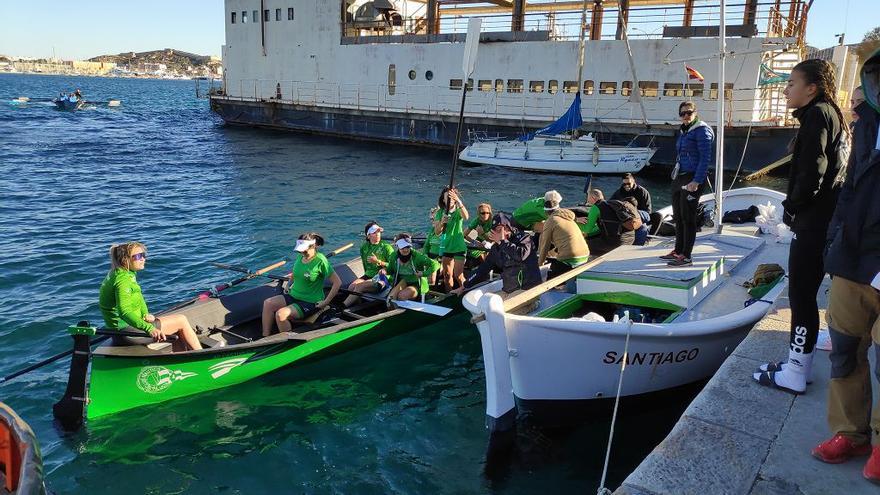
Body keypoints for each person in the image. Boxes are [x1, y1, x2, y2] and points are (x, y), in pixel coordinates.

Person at [752, 58, 847, 394]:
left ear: (812, 87)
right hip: (825, 220)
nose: (786, 89)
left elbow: (813, 171)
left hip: (814, 223)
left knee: (801, 295)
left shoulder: (818, 115)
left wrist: (791, 209)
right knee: (804, 294)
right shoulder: (830, 114)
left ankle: (794, 371)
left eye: (792, 82)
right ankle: (800, 364)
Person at [808, 50, 880, 480]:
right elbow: (850, 185)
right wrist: (836, 239)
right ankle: (851, 435)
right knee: (846, 354)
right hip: (853, 260)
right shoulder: (867, 122)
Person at [99, 242, 202, 351]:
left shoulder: (119, 273)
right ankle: (203, 356)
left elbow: (138, 297)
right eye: (138, 256)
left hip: (121, 331)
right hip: (127, 333)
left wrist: (145, 313)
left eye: (143, 255)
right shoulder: (123, 281)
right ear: (125, 260)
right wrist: (149, 328)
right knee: (181, 320)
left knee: (174, 325)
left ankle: (181, 359)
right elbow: (124, 312)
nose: (143, 259)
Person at [661, 101, 714, 267]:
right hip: (680, 177)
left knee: (688, 218)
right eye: (682, 113)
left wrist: (696, 181)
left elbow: (705, 159)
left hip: (692, 178)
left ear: (695, 113)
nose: (685, 116)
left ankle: (686, 256)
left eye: (688, 113)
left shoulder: (701, 130)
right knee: (678, 216)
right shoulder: (684, 130)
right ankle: (678, 251)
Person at [261, 233, 342, 336]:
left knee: (281, 314)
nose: (301, 252)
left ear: (312, 246)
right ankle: (265, 336)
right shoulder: (300, 256)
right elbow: (295, 273)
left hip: (310, 301)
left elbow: (337, 282)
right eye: (300, 250)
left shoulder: (321, 261)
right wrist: (289, 284)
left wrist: (326, 302)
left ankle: (288, 343)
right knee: (268, 303)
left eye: (304, 250)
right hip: (294, 295)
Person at [453, 212, 542, 295]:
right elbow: (482, 270)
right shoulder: (496, 248)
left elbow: (521, 256)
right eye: (496, 230)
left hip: (528, 289)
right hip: (509, 289)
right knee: (488, 303)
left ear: (508, 228)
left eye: (500, 229)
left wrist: (503, 241)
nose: (498, 233)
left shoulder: (524, 238)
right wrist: (464, 286)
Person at [343, 221, 394, 307]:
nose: (378, 234)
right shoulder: (364, 247)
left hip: (383, 277)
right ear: (368, 235)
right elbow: (365, 266)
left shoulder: (387, 247)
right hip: (369, 275)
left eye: (379, 232)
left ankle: (343, 306)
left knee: (360, 287)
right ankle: (358, 307)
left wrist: (378, 262)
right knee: (351, 287)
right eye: (374, 232)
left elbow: (394, 265)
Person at [576, 189, 638, 256]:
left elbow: (587, 229)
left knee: (582, 245)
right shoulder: (611, 205)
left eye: (588, 199)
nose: (587, 201)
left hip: (616, 243)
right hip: (629, 239)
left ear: (593, 198)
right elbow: (603, 227)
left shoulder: (596, 207)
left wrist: (575, 224)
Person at [538, 205, 590, 279]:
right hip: (585, 254)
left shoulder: (550, 221)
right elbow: (569, 240)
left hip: (571, 258)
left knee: (548, 278)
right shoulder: (569, 218)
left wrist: (540, 264)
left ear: (546, 212)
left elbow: (545, 245)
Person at [387, 233, 441, 302]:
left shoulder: (417, 256)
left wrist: (423, 273)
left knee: (401, 296)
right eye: (402, 247)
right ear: (397, 246)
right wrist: (384, 270)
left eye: (408, 247)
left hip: (416, 285)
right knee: (390, 299)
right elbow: (390, 271)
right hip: (402, 282)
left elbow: (436, 264)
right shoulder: (393, 256)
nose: (406, 250)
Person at [434, 187, 469, 291]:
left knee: (458, 275)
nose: (449, 200)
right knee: (447, 275)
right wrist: (442, 222)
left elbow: (466, 217)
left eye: (452, 198)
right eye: (447, 198)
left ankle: (464, 291)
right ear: (443, 200)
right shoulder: (440, 213)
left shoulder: (458, 211)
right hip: (446, 247)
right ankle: (449, 294)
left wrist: (459, 201)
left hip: (458, 247)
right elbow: (437, 232)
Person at [611, 173, 652, 245]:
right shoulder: (619, 192)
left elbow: (647, 211)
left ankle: (642, 242)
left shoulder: (643, 192)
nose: (626, 186)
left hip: (639, 217)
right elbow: (611, 202)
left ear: (633, 181)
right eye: (624, 184)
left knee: (643, 228)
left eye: (629, 183)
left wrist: (635, 214)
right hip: (624, 218)